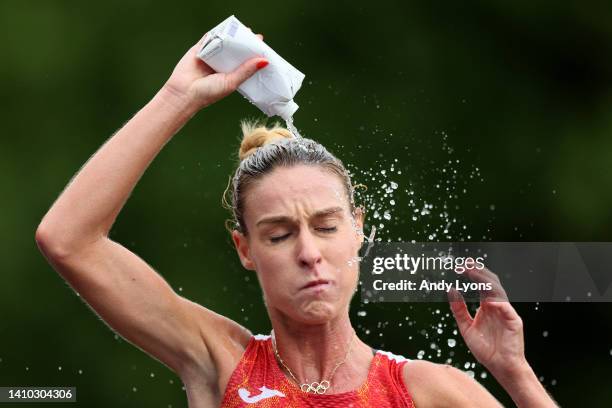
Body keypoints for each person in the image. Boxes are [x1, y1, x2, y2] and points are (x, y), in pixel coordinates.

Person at [35, 31, 558, 407]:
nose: (309, 252)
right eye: (280, 234)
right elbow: (67, 240)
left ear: (359, 229)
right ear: (245, 249)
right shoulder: (218, 361)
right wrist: (177, 99)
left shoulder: (427, 392)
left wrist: (516, 376)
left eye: (328, 227)